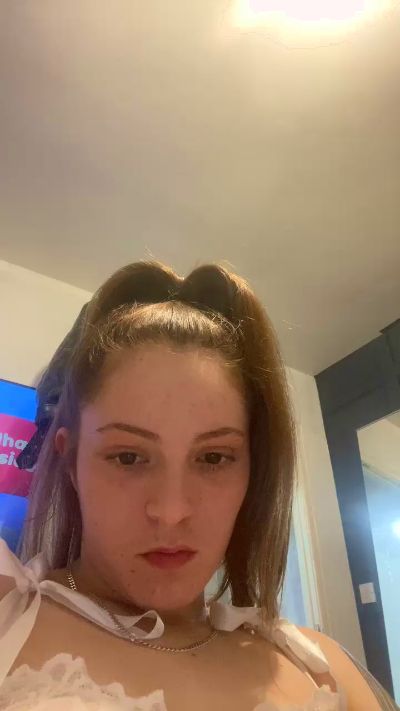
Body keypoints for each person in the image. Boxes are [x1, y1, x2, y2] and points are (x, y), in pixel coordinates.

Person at [0, 261, 397, 711]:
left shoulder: (319, 668)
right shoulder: (9, 617)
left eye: (213, 458)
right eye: (128, 457)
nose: (171, 511)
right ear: (70, 460)